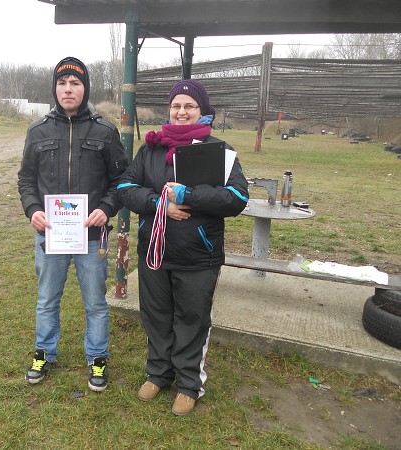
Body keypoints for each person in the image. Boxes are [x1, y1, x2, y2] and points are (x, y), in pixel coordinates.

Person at [117, 79, 249, 415]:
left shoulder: (219, 151)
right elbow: (125, 187)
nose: (181, 111)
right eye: (176, 105)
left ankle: (189, 384)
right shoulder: (151, 150)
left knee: (192, 319)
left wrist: (189, 194)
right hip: (155, 251)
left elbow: (237, 198)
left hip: (197, 254)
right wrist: (159, 203)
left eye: (190, 106)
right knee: (156, 314)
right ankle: (158, 373)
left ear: (202, 111)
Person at [18, 56, 128, 392]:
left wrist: (106, 208)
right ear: (55, 88)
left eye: (75, 83)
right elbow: (26, 179)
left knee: (95, 302)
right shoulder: (38, 131)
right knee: (47, 300)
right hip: (50, 236)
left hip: (91, 237)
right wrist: (33, 209)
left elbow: (122, 181)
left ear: (85, 88)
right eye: (62, 83)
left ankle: (97, 357)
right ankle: (44, 352)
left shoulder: (105, 131)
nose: (68, 89)